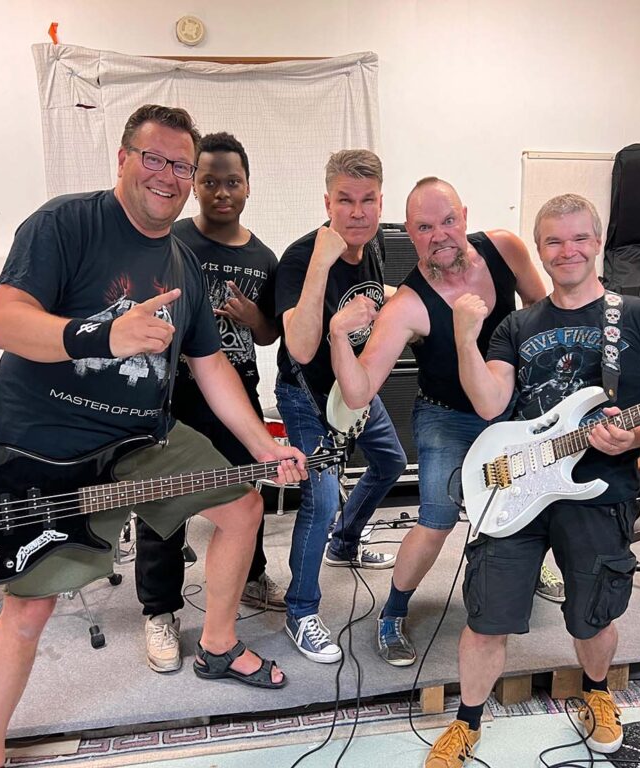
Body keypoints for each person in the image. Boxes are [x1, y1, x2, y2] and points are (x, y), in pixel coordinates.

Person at [0, 105, 306, 768]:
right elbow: (3, 323)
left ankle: (216, 644)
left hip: (140, 435)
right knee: (29, 612)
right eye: (153, 158)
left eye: (180, 165)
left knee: (242, 507)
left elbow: (211, 367)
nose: (167, 175)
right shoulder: (66, 223)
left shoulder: (181, 262)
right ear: (123, 159)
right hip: (51, 445)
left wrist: (264, 445)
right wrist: (101, 335)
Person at [424, 193, 640, 766]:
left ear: (598, 242)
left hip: (598, 491)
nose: (568, 251)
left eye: (579, 238)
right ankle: (467, 722)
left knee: (593, 613)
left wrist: (633, 437)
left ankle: (597, 693)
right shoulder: (517, 324)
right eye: (554, 241)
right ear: (539, 250)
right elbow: (490, 403)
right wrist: (465, 338)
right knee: (487, 616)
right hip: (516, 486)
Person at [329, 177, 545, 667]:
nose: (440, 235)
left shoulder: (505, 249)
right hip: (446, 416)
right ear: (409, 232)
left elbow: (541, 308)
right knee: (437, 520)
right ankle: (392, 612)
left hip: (510, 408)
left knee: (529, 502)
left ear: (464, 216)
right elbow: (358, 391)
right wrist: (339, 336)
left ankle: (532, 570)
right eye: (425, 227)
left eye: (448, 221)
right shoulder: (408, 304)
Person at [134, 131, 288, 673]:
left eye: (233, 182)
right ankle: (160, 610)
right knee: (163, 503)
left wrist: (253, 318)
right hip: (173, 394)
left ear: (248, 186)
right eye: (210, 181)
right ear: (194, 185)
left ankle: (250, 577)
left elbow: (269, 333)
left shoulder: (263, 256)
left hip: (236, 390)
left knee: (247, 494)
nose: (222, 192)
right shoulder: (172, 241)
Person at [274, 149, 406, 664]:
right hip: (305, 395)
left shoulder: (372, 246)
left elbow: (369, 298)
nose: (357, 212)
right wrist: (321, 263)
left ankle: (345, 544)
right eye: (345, 201)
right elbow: (301, 347)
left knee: (391, 461)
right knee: (322, 497)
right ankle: (301, 610)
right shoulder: (300, 258)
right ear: (327, 203)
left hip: (353, 389)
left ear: (380, 202)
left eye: (367, 200)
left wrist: (411, 299)